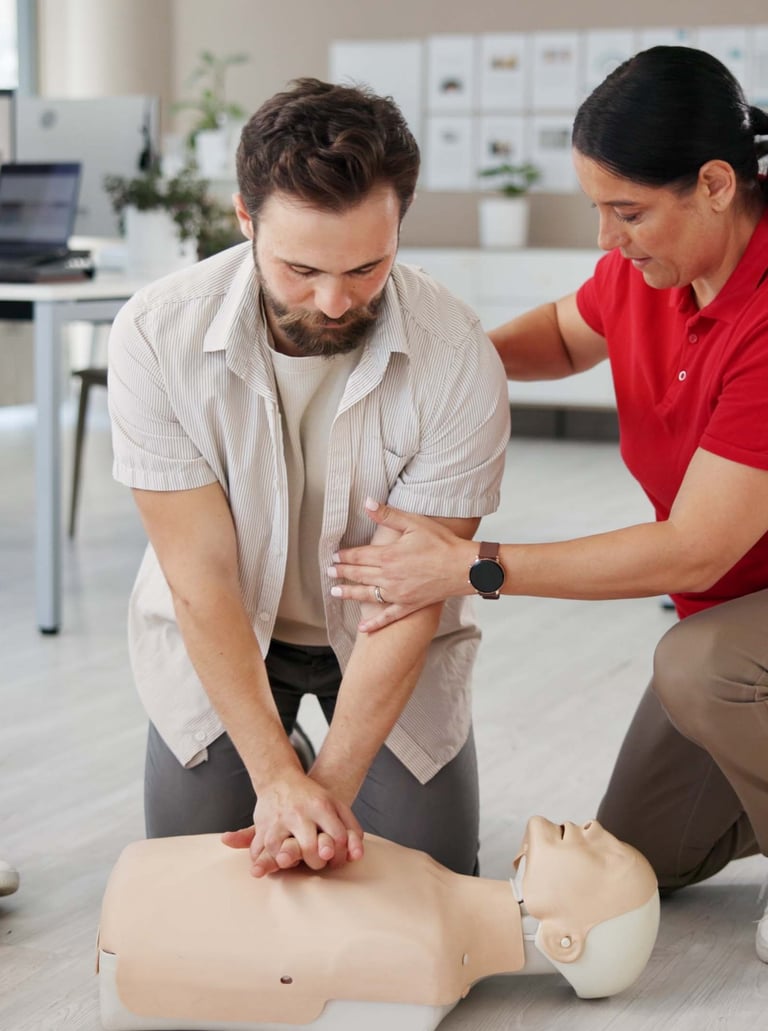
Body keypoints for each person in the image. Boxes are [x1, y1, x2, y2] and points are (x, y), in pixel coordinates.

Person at [329, 46, 768, 961]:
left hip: (728, 629)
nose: (609, 237)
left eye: (629, 210)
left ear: (718, 184)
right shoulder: (653, 272)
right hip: (736, 619)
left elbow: (696, 551)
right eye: (598, 208)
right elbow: (566, 339)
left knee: (704, 665)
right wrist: (435, 368)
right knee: (642, 853)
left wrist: (474, 565)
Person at [107, 78, 509, 881]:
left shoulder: (458, 352)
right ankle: (275, 733)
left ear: (400, 226)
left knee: (424, 880)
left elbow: (411, 594)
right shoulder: (155, 335)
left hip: (387, 638)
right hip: (227, 629)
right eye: (300, 269)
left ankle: (317, 752)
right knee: (193, 881)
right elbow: (202, 580)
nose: (333, 301)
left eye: (367, 266)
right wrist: (272, 778)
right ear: (245, 219)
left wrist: (320, 790)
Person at [97, 815, 659, 1031]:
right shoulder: (432, 896)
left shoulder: (426, 965)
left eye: (605, 855)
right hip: (149, 897)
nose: (594, 826)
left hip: (142, 928)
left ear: (565, 940)